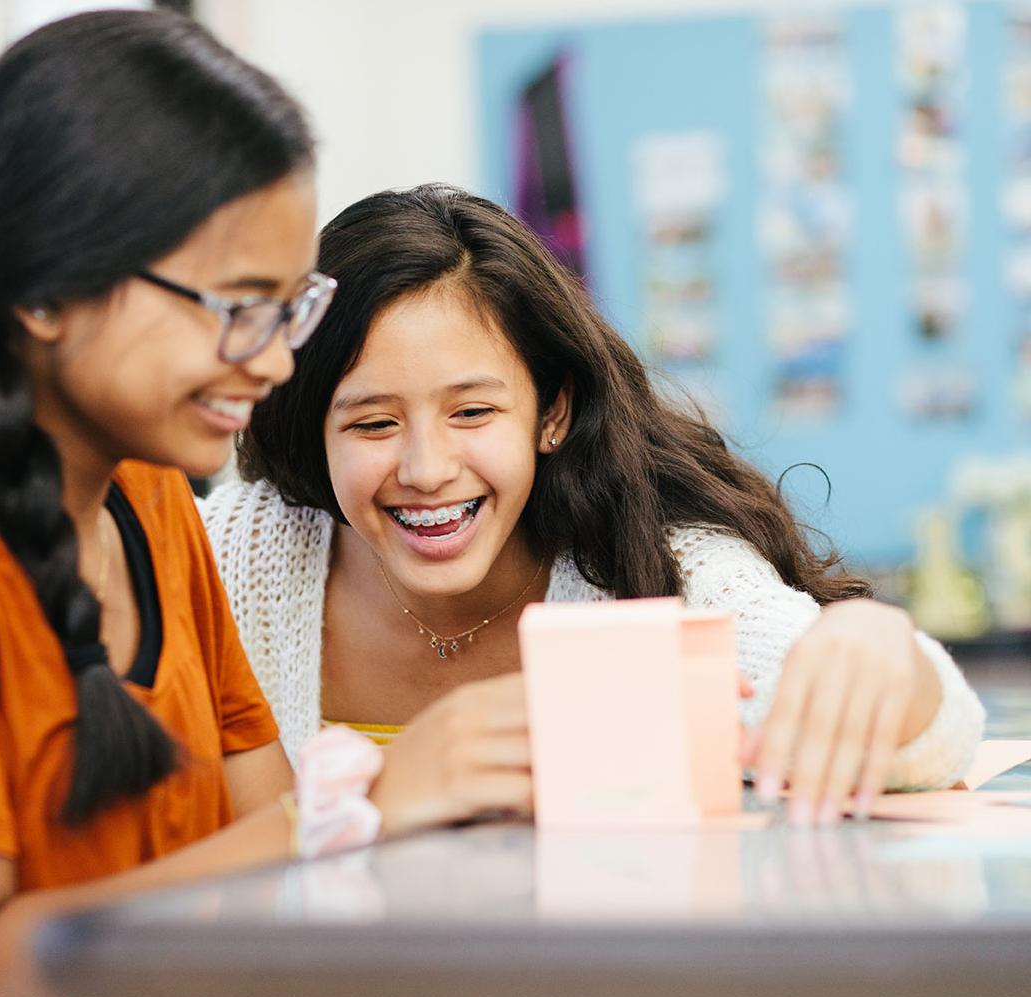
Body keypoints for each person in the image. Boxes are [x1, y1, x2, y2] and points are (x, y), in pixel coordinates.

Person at [0, 18, 529, 997]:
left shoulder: (155, 504)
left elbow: (278, 894)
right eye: (235, 307)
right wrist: (358, 810)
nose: (271, 366)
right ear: (43, 292)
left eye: (287, 309)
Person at [202, 183, 984, 829]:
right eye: (373, 423)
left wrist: (882, 646)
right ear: (315, 427)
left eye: (472, 413)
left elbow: (931, 744)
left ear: (553, 412)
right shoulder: (236, 550)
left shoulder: (652, 558)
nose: (427, 469)